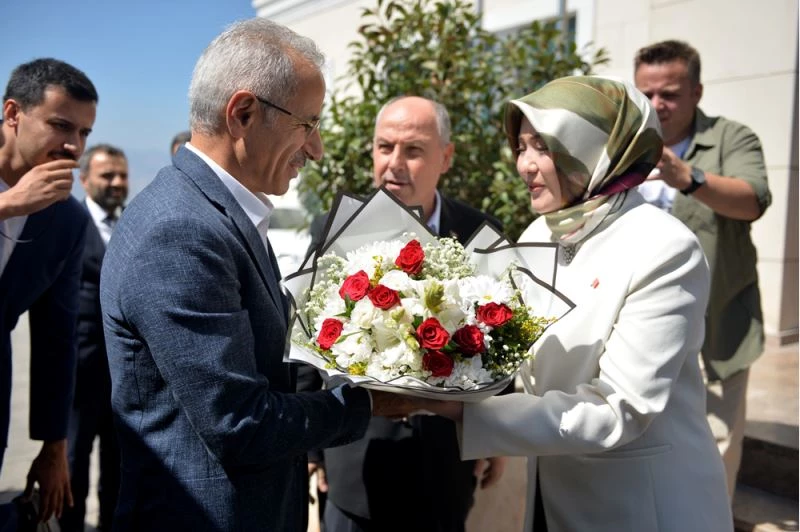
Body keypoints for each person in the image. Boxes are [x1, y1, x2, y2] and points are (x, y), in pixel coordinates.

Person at [383, 76, 734, 531]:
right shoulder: (540, 234)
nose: (525, 165)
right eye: (521, 146)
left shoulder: (664, 247)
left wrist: (460, 410)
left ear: (592, 147)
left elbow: (618, 410)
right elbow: (515, 358)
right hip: (555, 496)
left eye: (543, 146)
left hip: (641, 508)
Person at [98, 18, 398, 531]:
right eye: (307, 124)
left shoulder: (216, 213)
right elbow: (239, 424)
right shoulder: (182, 230)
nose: (316, 148)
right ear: (243, 113)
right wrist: (373, 403)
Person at [300, 95, 508, 532]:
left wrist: (496, 435)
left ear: (445, 157)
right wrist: (311, 447)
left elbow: (502, 340)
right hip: (356, 462)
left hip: (445, 466)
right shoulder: (333, 228)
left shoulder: (478, 234)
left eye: (413, 150)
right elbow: (302, 337)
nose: (394, 163)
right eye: (384, 147)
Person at [634, 40, 771, 499]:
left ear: (697, 91)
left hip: (719, 326)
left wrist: (689, 178)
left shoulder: (732, 138)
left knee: (715, 447)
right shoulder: (626, 147)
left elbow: (752, 200)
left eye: (669, 93)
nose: (658, 105)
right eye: (647, 93)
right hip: (643, 327)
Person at [0, 58, 97, 523]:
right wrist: (6, 205)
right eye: (61, 126)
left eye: (84, 133)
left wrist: (54, 443)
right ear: (13, 114)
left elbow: (59, 334)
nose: (73, 146)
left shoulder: (68, 219)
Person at [59, 144, 127, 532]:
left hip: (120, 378)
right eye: (108, 176)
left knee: (117, 468)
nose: (117, 183)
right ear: (84, 179)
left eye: (122, 175)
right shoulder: (70, 223)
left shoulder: (130, 224)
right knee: (72, 464)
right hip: (78, 374)